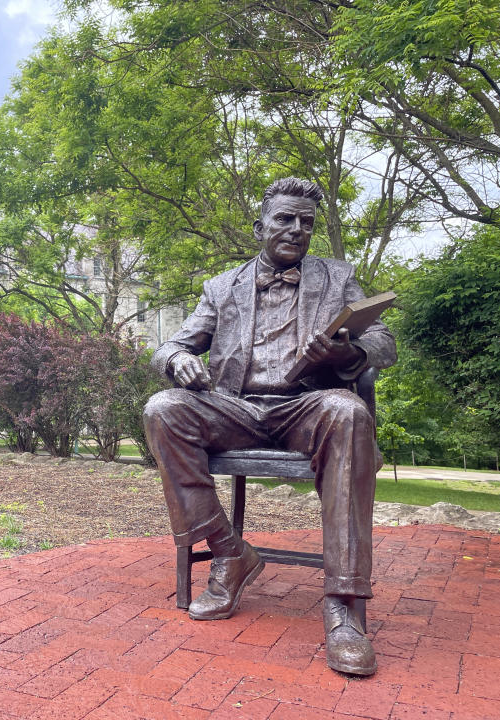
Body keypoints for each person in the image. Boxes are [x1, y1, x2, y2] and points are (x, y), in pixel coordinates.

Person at [143, 177, 396, 676]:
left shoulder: (337, 277)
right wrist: (179, 362)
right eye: (285, 219)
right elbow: (170, 345)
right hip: (237, 408)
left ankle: (344, 607)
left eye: (306, 222)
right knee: (163, 408)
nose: (296, 229)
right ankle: (229, 552)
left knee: (348, 412)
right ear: (260, 226)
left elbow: (384, 343)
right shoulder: (222, 287)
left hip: (307, 407)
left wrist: (347, 351)